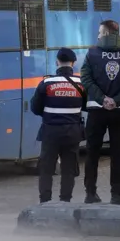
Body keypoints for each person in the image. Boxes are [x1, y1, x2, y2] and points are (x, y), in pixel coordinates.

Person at [81, 20, 120, 204]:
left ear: (106, 33)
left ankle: (90, 194)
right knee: (117, 153)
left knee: (92, 152)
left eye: (100, 32)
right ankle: (117, 194)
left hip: (96, 110)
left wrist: (102, 99)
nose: (98, 36)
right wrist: (117, 100)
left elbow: (86, 78)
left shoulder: (92, 53)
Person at [30, 48, 84, 204]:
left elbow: (35, 108)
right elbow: (86, 106)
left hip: (50, 131)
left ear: (56, 62)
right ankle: (65, 201)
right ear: (73, 63)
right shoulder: (81, 84)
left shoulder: (46, 83)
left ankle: (45, 201)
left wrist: (51, 115)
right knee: (69, 169)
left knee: (47, 168)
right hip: (73, 131)